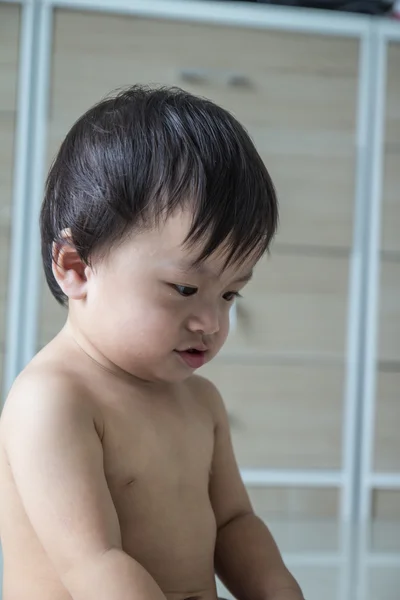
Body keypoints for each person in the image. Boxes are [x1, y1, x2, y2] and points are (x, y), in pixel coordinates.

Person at [0, 85, 304, 600]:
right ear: (77, 267)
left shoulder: (200, 401)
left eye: (230, 293)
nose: (209, 320)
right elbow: (94, 564)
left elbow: (234, 524)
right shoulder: (52, 401)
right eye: (184, 288)